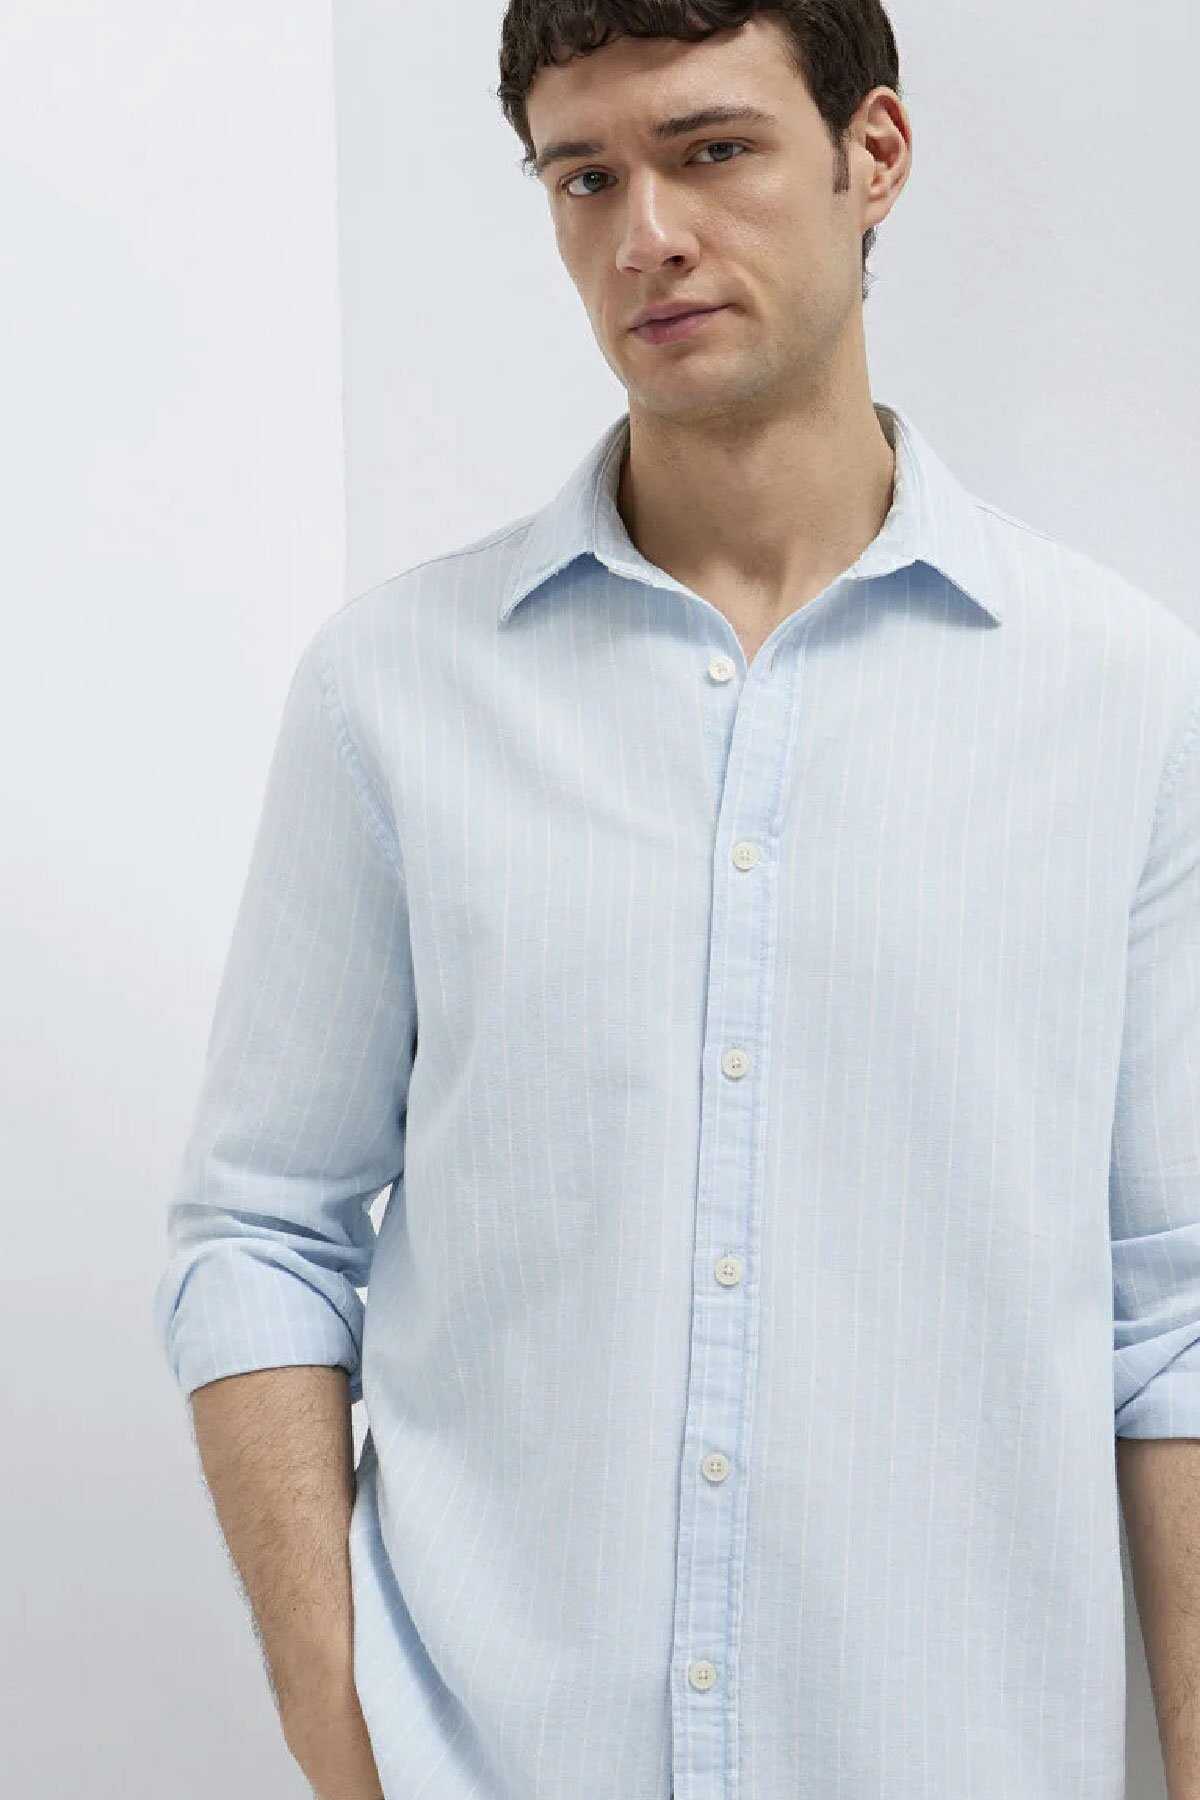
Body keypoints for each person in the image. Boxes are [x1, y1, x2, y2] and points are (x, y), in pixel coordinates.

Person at [153, 6, 1200, 1799]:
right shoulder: (392, 692)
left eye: (712, 150)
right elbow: (259, 1237)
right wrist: (346, 1737)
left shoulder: (1122, 697)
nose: (645, 234)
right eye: (585, 177)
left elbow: (1173, 1312)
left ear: (873, 154)